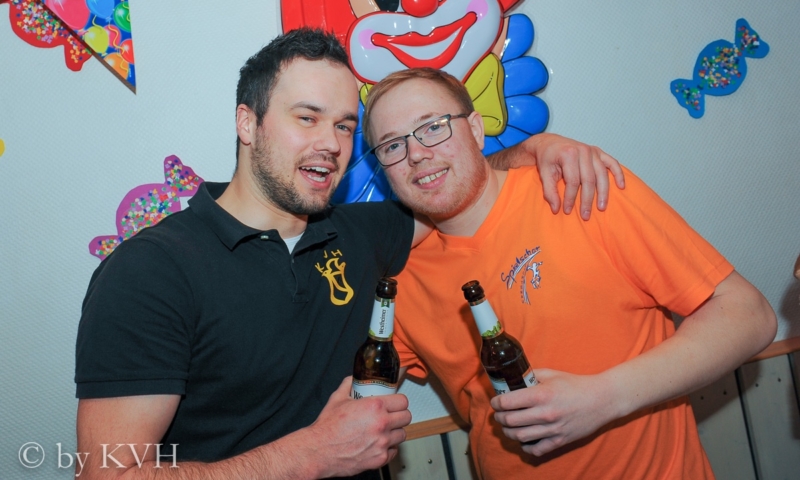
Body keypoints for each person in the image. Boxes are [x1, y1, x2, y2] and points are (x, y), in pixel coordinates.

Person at [74, 29, 624, 479]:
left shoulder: (359, 233)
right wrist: (305, 456)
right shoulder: (151, 271)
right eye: (306, 118)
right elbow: (107, 476)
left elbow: (450, 183)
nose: (331, 144)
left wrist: (537, 149)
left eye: (344, 126)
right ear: (248, 123)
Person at [362, 67, 778, 480]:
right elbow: (361, 401)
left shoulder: (580, 188)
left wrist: (604, 397)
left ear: (474, 128)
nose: (416, 154)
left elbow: (749, 314)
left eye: (433, 127)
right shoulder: (398, 277)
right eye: (392, 145)